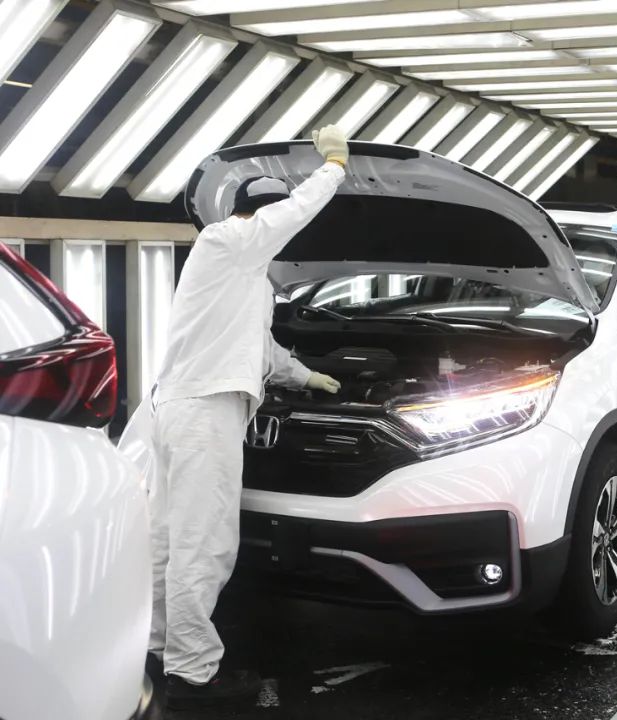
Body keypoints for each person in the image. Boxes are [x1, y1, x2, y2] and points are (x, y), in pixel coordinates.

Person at [148, 125, 349, 708]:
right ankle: (194, 674)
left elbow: (260, 351)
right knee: (203, 544)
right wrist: (334, 166)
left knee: (167, 541)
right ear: (255, 214)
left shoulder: (244, 276)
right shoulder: (227, 240)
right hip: (204, 411)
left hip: (181, 408)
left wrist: (306, 377)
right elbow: (292, 213)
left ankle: (157, 648)